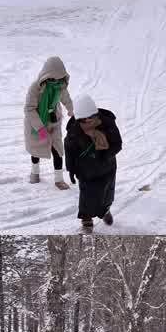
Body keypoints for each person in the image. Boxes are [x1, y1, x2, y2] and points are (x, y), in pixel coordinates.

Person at [64, 95, 122, 233]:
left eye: (90, 116)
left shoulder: (107, 123)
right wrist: (71, 170)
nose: (88, 121)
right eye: (84, 119)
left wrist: (106, 155)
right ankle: (86, 219)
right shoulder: (74, 131)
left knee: (107, 192)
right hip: (85, 170)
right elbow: (69, 151)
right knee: (87, 195)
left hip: (106, 167)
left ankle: (105, 210)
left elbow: (117, 144)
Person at [23, 56, 76, 189]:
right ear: (47, 75)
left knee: (57, 149)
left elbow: (66, 99)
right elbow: (29, 109)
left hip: (54, 122)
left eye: (59, 78)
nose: (57, 81)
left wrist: (72, 110)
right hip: (36, 123)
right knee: (36, 149)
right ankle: (34, 173)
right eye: (54, 78)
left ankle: (59, 179)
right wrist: (40, 128)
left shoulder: (60, 86)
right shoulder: (35, 88)